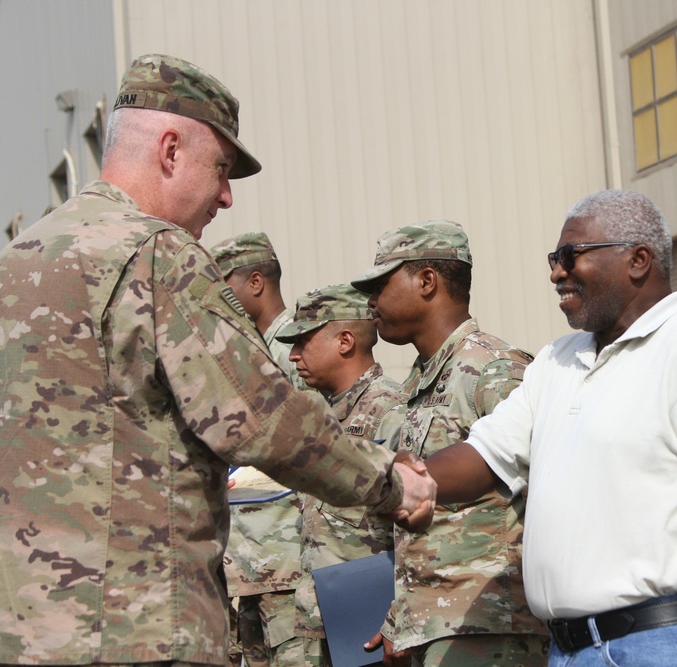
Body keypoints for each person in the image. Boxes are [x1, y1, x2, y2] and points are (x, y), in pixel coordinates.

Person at [0, 54, 434, 667]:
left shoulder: (10, 267)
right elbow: (264, 418)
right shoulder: (156, 255)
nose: (225, 197)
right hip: (135, 631)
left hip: (12, 634)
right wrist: (392, 483)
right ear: (170, 150)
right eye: (220, 168)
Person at [422, 190, 677, 667]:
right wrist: (394, 480)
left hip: (669, 646)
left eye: (570, 256)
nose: (556, 272)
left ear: (638, 260)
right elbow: (485, 454)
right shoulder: (557, 361)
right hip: (571, 651)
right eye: (554, 258)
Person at [352, 222, 549, 665]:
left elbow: (548, 496)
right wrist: (399, 618)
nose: (371, 302)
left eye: (381, 286)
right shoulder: (415, 384)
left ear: (427, 281)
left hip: (491, 627)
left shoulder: (496, 369)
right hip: (428, 629)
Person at [273, 283, 406, 666]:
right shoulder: (317, 417)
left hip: (374, 628)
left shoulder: (392, 411)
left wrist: (398, 618)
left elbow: (416, 533)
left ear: (345, 341)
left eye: (303, 341)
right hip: (325, 625)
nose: (294, 355)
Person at [210, 233, 308, 667]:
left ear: (254, 282)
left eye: (222, 284)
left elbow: (308, 447)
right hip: (254, 567)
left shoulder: (297, 351)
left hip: (285, 562)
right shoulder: (254, 351)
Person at [211, 231, 306, 389]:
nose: (217, 298)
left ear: (255, 283)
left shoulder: (291, 348)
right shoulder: (257, 344)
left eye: (223, 289)